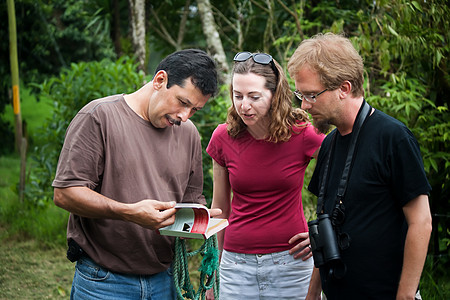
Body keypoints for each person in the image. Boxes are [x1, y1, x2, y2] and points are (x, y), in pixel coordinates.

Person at [52, 49, 220, 300]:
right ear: (160, 80)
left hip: (165, 280)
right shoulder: (99, 116)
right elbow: (65, 194)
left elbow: (192, 201)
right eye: (183, 103)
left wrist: (201, 220)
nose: (184, 117)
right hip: (104, 282)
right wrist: (129, 212)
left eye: (194, 110)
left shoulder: (189, 133)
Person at [287, 33, 432, 300]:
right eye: (300, 95)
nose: (304, 106)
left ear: (344, 88)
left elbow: (421, 222)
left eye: (311, 95)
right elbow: (327, 226)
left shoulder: (393, 137)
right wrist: (312, 295)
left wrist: (406, 296)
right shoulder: (329, 144)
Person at [205, 51, 325, 300]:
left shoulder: (303, 134)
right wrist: (212, 270)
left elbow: (343, 177)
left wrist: (324, 232)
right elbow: (220, 208)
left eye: (254, 97)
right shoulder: (223, 138)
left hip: (292, 263)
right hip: (236, 266)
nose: (244, 105)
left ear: (275, 95)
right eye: (237, 96)